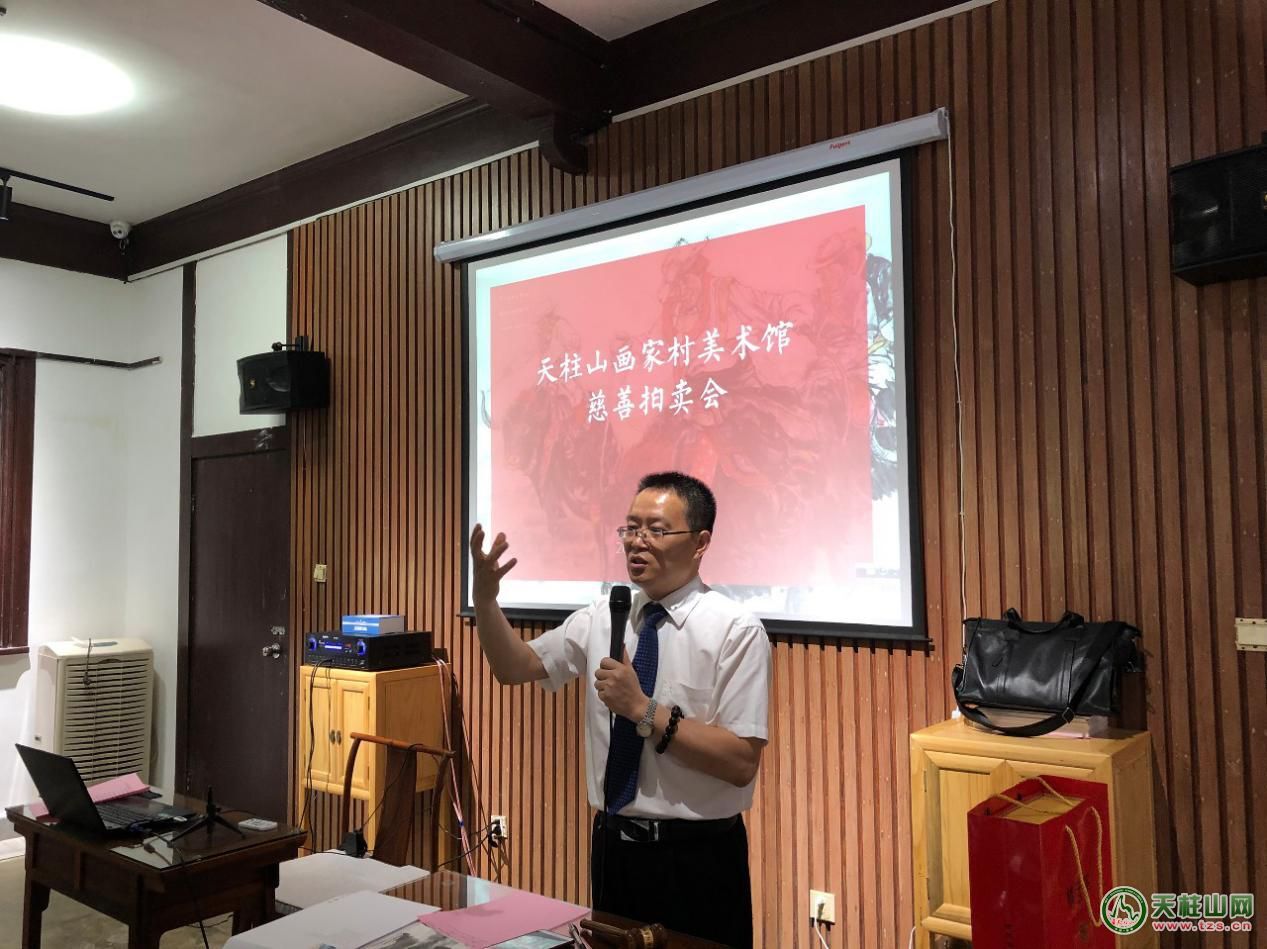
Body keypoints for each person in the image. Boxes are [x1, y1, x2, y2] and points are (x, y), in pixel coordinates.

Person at [468, 471, 772, 947]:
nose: (637, 541)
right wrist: (486, 602)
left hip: (698, 860)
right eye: (631, 528)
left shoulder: (735, 630)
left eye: (656, 529)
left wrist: (642, 710)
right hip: (615, 850)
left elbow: (740, 762)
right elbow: (514, 666)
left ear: (700, 542)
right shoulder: (604, 615)